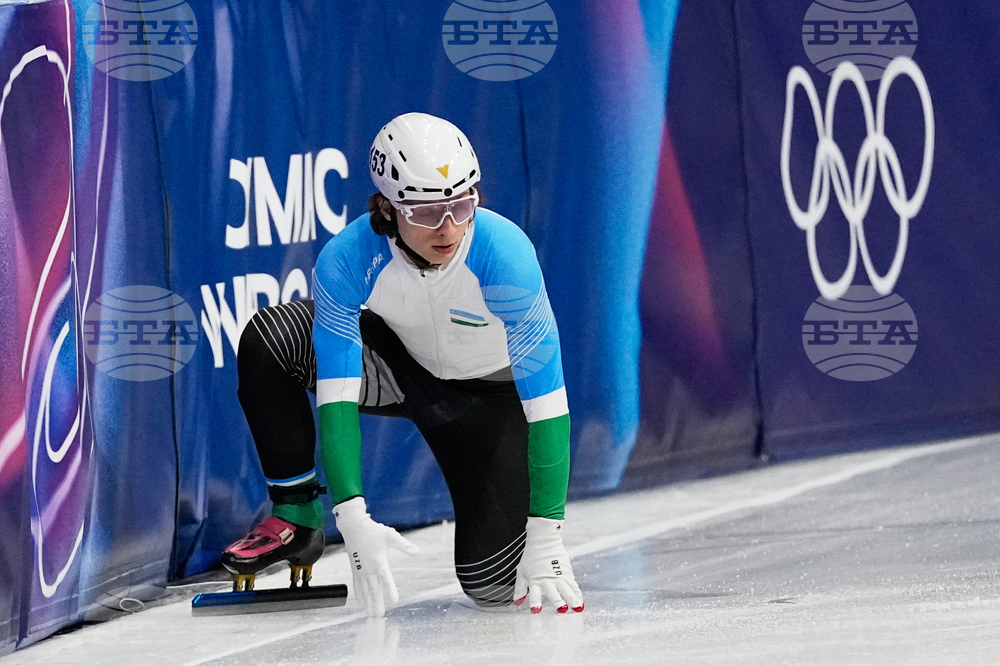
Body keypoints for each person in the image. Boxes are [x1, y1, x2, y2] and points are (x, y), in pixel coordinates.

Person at [221, 112, 583, 617]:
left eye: (461, 205)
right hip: (400, 371)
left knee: (494, 585)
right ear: (388, 209)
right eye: (427, 213)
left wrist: (546, 534)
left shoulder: (505, 256)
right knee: (272, 338)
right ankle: (298, 516)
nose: (449, 228)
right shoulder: (347, 258)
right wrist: (350, 515)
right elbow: (338, 392)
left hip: (492, 403)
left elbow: (548, 406)